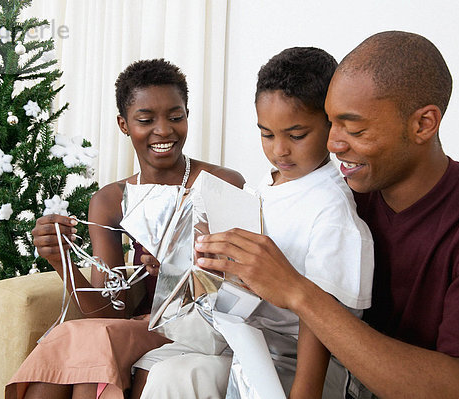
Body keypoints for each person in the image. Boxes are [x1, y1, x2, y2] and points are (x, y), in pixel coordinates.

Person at [195, 30, 459, 398]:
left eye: (354, 129)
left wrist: (299, 292)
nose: (333, 144)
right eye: (331, 123)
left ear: (423, 124)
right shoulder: (341, 191)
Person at [139, 47, 374, 399]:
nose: (279, 150)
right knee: (157, 368)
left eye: (296, 136)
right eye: (267, 134)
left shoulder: (332, 209)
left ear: (331, 124)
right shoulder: (266, 185)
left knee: (181, 377)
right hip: (248, 341)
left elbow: (322, 322)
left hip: (300, 359)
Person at [5, 59, 245, 399]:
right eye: (146, 120)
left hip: (200, 329)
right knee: (69, 358)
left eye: (176, 117)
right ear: (124, 124)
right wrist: (62, 261)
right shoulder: (110, 200)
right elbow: (106, 309)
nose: (163, 131)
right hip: (140, 325)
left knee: (85, 347)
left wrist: (181, 271)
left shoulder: (221, 183)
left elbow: (239, 286)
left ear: (187, 115)